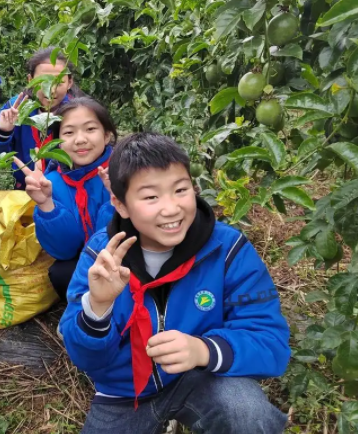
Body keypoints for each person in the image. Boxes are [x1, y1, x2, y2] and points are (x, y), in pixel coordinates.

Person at [59, 132, 290, 434]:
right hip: (125, 392)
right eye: (151, 197)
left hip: (203, 377)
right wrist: (97, 307)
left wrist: (203, 350)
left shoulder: (226, 249)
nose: (171, 208)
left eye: (180, 190)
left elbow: (270, 340)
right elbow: (85, 358)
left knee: (247, 413)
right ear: (121, 204)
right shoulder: (101, 258)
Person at [14, 97, 117, 300]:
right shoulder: (52, 183)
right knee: (62, 273)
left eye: (90, 129)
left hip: (126, 258)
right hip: (89, 260)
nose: (80, 140)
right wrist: (46, 205)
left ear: (106, 136)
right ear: (57, 142)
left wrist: (116, 198)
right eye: (69, 133)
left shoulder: (123, 172)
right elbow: (65, 251)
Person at [0, 47, 83, 190]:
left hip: (70, 190)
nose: (51, 90)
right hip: (28, 189)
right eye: (43, 81)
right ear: (30, 80)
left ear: (69, 82)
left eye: (59, 82)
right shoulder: (16, 108)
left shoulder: (80, 112)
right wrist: (3, 132)